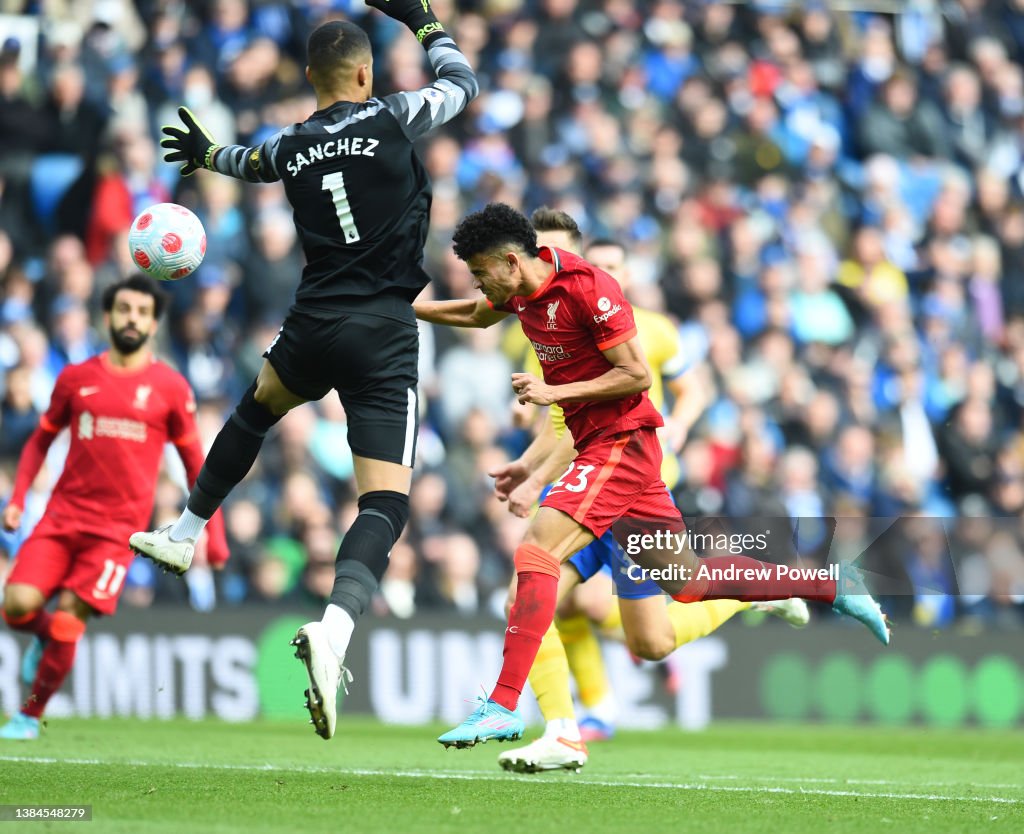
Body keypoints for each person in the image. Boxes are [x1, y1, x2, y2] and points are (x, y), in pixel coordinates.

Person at [413, 202, 889, 749]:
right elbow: (475, 314)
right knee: (689, 587)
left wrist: (554, 393)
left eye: (480, 272)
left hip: (620, 446)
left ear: (511, 263)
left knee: (535, 556)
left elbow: (636, 375)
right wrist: (405, 310)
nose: (477, 283)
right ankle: (831, 584)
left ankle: (505, 706)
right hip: (612, 454)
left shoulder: (591, 289)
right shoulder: (519, 292)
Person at [129, 3, 478, 742]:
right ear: (362, 72)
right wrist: (421, 21)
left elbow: (246, 163)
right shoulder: (395, 116)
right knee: (385, 505)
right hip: (384, 330)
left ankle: (186, 529)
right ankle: (335, 631)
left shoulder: (291, 145)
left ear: (312, 78)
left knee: (258, 408)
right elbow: (463, 81)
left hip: (312, 323)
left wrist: (204, 154)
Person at [492, 211, 807, 772]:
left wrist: (680, 422)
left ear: (622, 273)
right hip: (581, 475)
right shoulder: (538, 321)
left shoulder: (652, 330)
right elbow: (560, 420)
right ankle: (585, 718)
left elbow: (691, 386)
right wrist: (531, 463)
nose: (595, 271)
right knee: (545, 597)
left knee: (643, 634)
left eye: (610, 266)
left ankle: (752, 590)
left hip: (634, 483)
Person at [0, 275, 228, 740]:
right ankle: (41, 637)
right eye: (124, 309)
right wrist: (19, 498)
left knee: (68, 618)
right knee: (15, 607)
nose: (132, 318)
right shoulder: (76, 379)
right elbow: (39, 441)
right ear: (107, 317)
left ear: (154, 322)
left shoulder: (170, 388)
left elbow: (196, 468)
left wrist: (214, 536)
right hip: (61, 519)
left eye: (143, 312)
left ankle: (27, 714)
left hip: (116, 534)